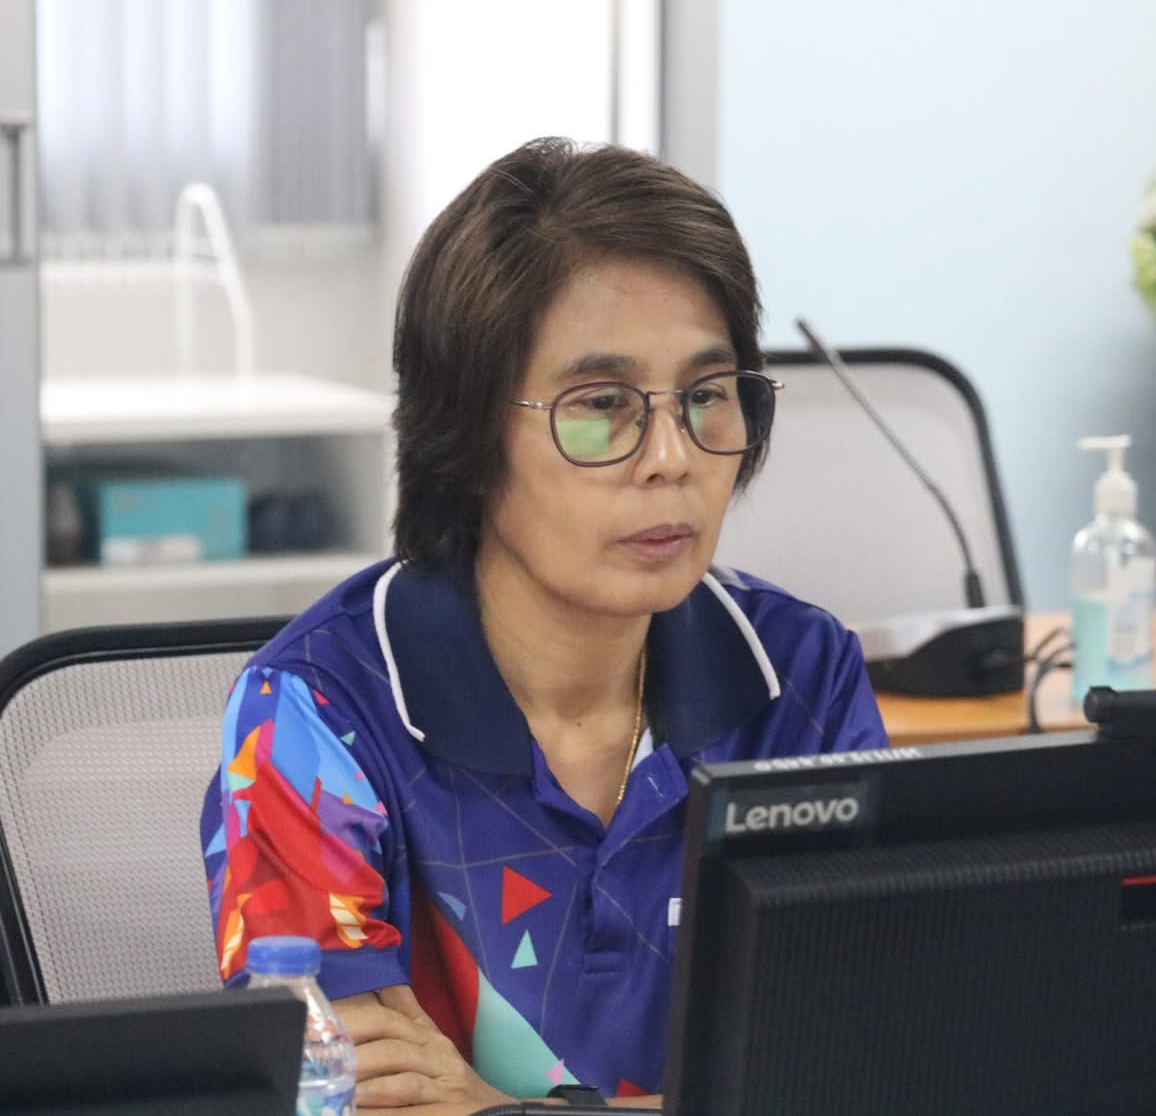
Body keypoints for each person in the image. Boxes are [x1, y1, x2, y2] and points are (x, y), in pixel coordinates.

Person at [201, 137, 888, 1113]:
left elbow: (856, 1063)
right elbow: (351, 1096)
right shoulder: (316, 712)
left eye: (705, 396)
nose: (670, 457)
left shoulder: (799, 676)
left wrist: (494, 1109)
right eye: (602, 405)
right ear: (469, 435)